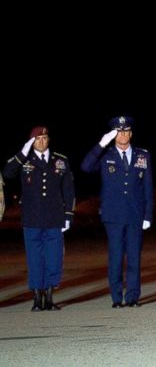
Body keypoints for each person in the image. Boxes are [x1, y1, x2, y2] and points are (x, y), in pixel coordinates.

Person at [81, 116, 153, 308]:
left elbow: (147, 187)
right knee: (115, 257)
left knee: (134, 258)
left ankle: (132, 297)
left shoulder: (142, 155)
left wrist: (148, 215)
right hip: (113, 216)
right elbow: (85, 167)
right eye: (118, 132)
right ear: (113, 135)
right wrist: (101, 144)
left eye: (126, 131)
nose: (123, 135)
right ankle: (116, 297)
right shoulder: (106, 155)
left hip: (135, 215)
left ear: (131, 133)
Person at [3, 127, 75, 310]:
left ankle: (49, 297)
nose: (41, 142)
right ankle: (37, 298)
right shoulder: (24, 159)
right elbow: (7, 172)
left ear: (49, 139)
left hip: (54, 218)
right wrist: (22, 152)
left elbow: (68, 190)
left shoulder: (60, 160)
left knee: (54, 258)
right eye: (37, 139)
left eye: (44, 138)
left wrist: (68, 215)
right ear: (31, 142)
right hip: (32, 219)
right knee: (34, 259)